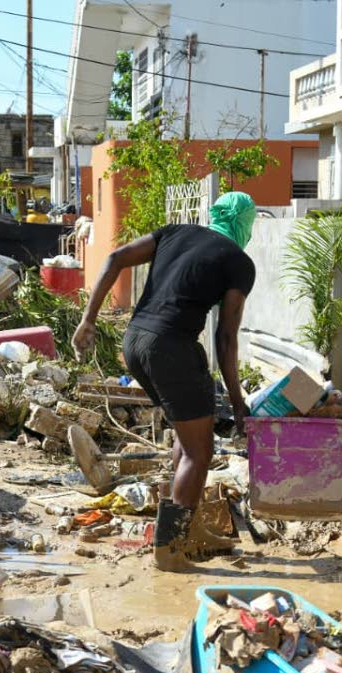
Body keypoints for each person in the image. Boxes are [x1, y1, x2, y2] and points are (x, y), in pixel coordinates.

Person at [72, 192, 257, 572]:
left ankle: (185, 528)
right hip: (171, 348)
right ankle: (171, 548)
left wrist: (88, 319)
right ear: (246, 224)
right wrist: (237, 399)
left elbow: (114, 258)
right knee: (199, 452)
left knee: (186, 437)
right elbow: (226, 336)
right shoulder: (238, 262)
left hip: (135, 341)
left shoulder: (175, 233)